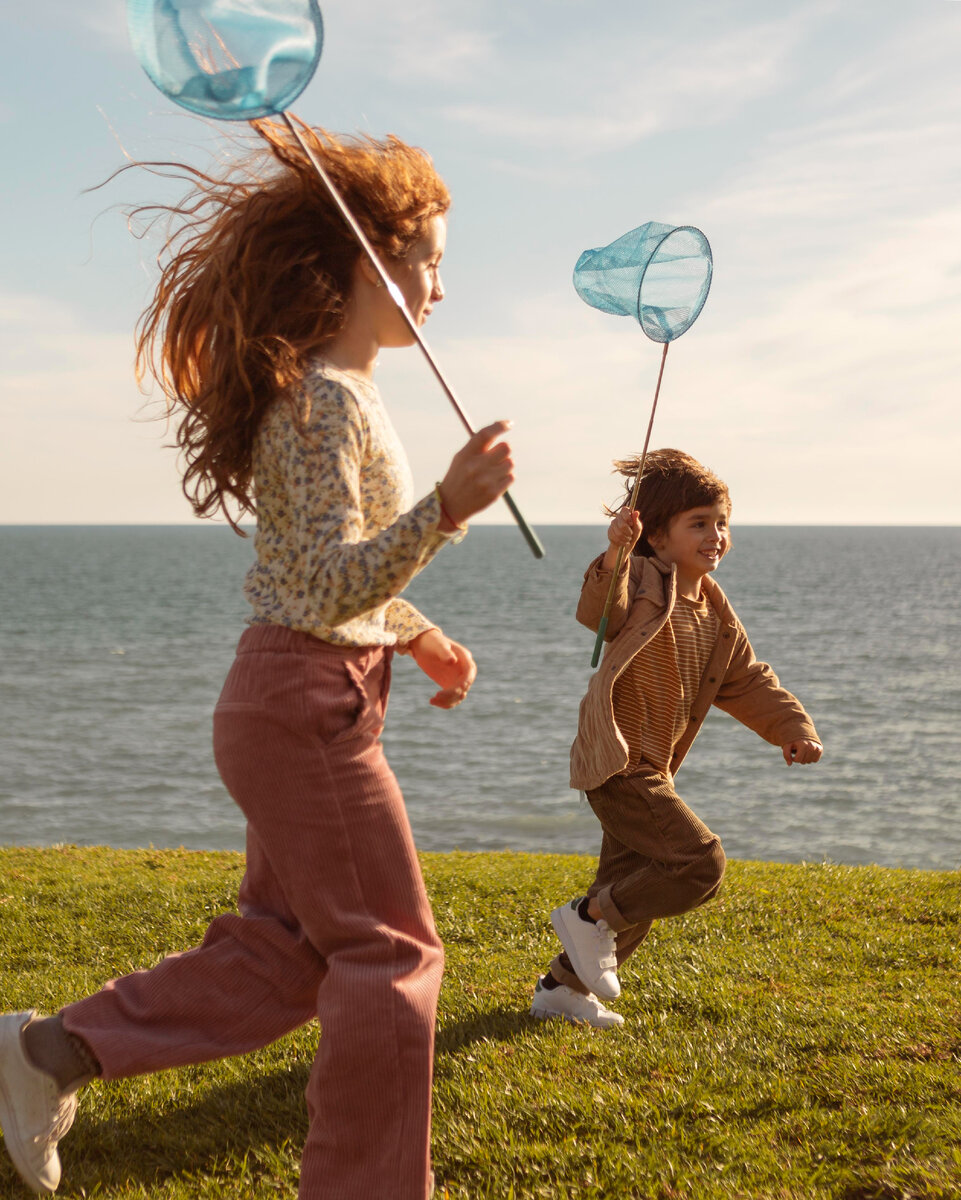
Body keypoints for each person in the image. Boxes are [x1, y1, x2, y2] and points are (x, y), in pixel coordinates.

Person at [0, 121, 515, 1198]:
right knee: (391, 953)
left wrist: (416, 634)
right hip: (304, 701)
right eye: (428, 262)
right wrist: (449, 508)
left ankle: (40, 1057)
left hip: (302, 690)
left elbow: (314, 571)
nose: (438, 289)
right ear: (361, 260)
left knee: (286, 952)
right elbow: (327, 586)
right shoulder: (322, 401)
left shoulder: (345, 393)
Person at [530, 449, 822, 1029]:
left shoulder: (714, 610)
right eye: (699, 523)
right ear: (657, 537)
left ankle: (560, 989)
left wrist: (792, 727)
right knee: (697, 862)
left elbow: (746, 679)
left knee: (630, 890)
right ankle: (586, 917)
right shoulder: (641, 577)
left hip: (654, 768)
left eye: (722, 522)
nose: (716, 535)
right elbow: (601, 611)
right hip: (617, 759)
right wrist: (615, 551)